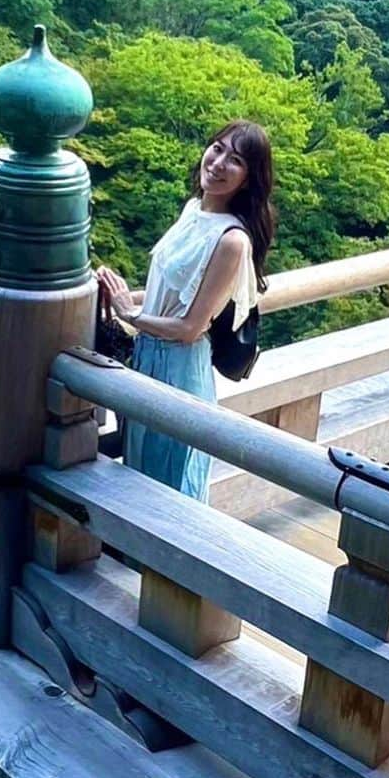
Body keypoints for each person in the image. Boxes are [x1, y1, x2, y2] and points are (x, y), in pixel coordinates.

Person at [96, 120, 274, 501]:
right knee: (139, 476)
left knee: (170, 487)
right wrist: (120, 295)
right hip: (146, 358)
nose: (219, 162)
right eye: (218, 148)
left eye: (236, 159)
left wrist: (130, 314)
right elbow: (169, 291)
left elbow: (191, 327)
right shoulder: (193, 209)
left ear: (249, 178)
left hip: (179, 369)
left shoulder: (232, 240)